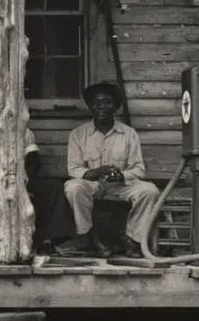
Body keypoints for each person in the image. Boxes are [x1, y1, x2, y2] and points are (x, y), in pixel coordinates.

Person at [62, 80, 160, 257]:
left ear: (115, 107)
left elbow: (139, 169)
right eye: (96, 102)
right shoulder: (78, 134)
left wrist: (121, 175)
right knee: (73, 187)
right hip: (92, 185)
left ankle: (132, 239)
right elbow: (73, 168)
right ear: (91, 106)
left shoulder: (129, 134)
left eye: (107, 102)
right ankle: (91, 237)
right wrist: (93, 173)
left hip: (120, 186)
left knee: (150, 191)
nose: (101, 107)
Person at [0, 120, 75, 254]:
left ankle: (48, 241)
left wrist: (18, 179)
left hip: (19, 179)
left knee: (53, 187)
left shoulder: (24, 131)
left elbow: (34, 163)